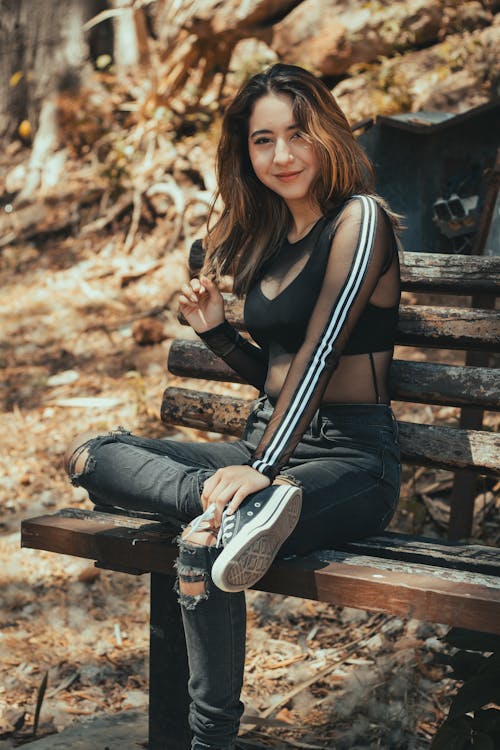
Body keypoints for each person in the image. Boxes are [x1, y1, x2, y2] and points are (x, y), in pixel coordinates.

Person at [64, 63, 402, 750]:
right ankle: (224, 505)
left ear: (327, 134)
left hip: (350, 461)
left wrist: (266, 466)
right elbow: (276, 378)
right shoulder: (275, 243)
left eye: (298, 134)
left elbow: (324, 349)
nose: (282, 155)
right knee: (93, 456)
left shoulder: (360, 220)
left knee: (213, 535)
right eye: (262, 140)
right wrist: (218, 333)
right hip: (267, 444)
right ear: (245, 152)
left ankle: (208, 740)